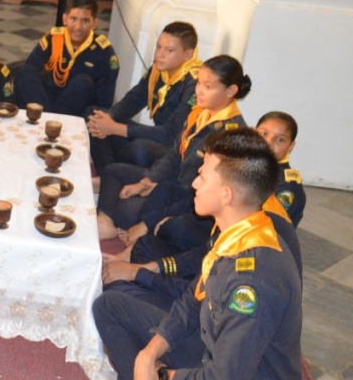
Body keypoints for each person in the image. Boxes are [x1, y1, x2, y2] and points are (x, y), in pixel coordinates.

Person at [93, 128, 303, 380]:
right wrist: (149, 354)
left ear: (227, 194)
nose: (194, 183)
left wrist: (162, 374)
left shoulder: (251, 281)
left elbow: (225, 376)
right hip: (213, 340)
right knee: (109, 306)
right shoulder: (236, 231)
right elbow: (193, 300)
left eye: (202, 176)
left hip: (247, 372)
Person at [96, 55, 250, 246]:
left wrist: (156, 195)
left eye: (208, 86)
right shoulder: (199, 113)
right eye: (199, 83)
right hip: (170, 184)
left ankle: (122, 223)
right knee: (113, 171)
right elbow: (175, 154)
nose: (199, 91)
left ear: (231, 90)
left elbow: (202, 193)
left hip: (190, 200)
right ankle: (105, 223)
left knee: (125, 209)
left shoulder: (230, 135)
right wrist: (147, 181)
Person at [88, 22, 201, 174]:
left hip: (175, 149)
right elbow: (134, 99)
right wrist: (109, 117)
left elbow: (171, 134)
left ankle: (114, 173)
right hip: (157, 136)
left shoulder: (194, 84)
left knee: (139, 149)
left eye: (169, 50)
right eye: (159, 47)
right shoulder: (160, 69)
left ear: (188, 55)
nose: (159, 54)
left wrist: (115, 128)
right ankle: (106, 174)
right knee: (94, 115)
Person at [14, 0, 118, 114]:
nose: (78, 27)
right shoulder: (53, 38)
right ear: (65, 19)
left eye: (85, 21)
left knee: (83, 83)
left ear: (94, 23)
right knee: (24, 71)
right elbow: (31, 73)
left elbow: (104, 103)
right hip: (46, 100)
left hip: (77, 108)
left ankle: (49, 120)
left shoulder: (105, 52)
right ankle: (48, 120)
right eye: (73, 19)